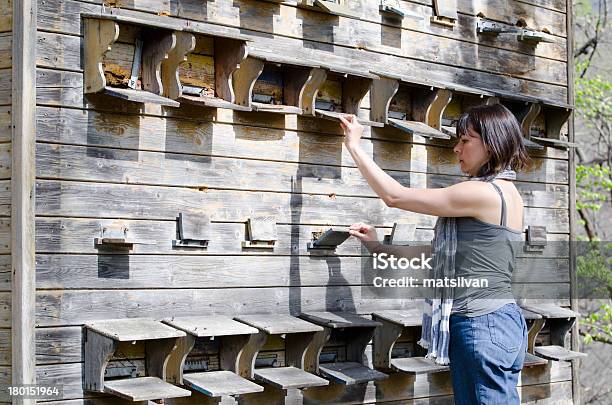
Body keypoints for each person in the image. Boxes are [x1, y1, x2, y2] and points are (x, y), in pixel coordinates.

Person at [339, 103, 530, 404]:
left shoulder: (483, 193)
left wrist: (354, 146)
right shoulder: (507, 193)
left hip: (481, 322)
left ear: (492, 144)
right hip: (497, 321)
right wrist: (379, 248)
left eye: (465, 140)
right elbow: (445, 256)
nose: (457, 149)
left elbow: (394, 196)